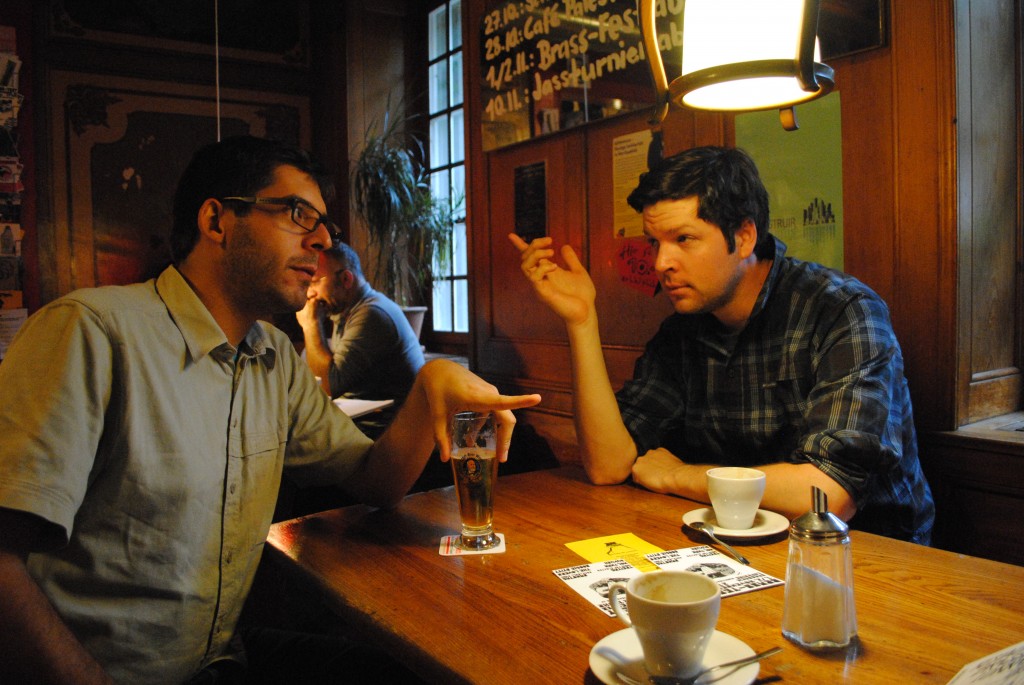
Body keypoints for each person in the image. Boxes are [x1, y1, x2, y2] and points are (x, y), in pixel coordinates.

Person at [0, 135, 540, 685]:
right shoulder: (91, 332)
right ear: (217, 220)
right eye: (298, 214)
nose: (324, 240)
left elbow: (376, 482)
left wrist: (429, 384)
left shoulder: (273, 356)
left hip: (222, 660)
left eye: (326, 224)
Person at [510, 145, 933, 544]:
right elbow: (608, 465)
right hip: (736, 546)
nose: (661, 263)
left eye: (684, 239)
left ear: (744, 237)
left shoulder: (841, 310)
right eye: (655, 243)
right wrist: (582, 321)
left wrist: (679, 476)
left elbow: (827, 496)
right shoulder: (682, 332)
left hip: (870, 558)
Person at [297, 242, 424, 405]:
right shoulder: (346, 309)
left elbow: (327, 387)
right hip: (364, 416)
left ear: (346, 279)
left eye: (315, 282)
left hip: (385, 425)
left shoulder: (372, 313)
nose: (309, 293)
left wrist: (310, 325)